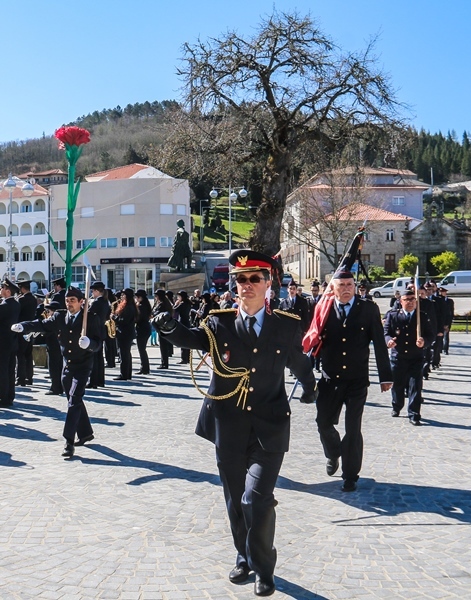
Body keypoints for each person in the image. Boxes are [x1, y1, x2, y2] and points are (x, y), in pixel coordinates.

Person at [151, 250, 317, 597]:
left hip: (269, 427)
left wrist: (312, 388)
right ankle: (243, 555)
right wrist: (168, 326)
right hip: (227, 425)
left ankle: (264, 569)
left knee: (256, 499)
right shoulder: (219, 322)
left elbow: (299, 364)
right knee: (233, 498)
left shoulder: (285, 326)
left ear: (269, 283)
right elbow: (191, 339)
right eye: (241, 279)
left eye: (255, 278)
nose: (247, 285)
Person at [314, 270, 393, 492]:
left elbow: (379, 343)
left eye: (350, 284)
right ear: (333, 288)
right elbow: (310, 337)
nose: (347, 288)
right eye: (342, 285)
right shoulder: (323, 308)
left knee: (352, 428)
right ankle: (332, 453)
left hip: (357, 380)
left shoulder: (368, 309)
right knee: (323, 422)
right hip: (330, 379)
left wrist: (385, 376)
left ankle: (350, 476)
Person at [12, 286, 102, 457]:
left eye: (73, 301)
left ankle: (69, 441)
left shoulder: (90, 319)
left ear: (81, 302)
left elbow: (98, 343)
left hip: (83, 366)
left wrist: (89, 343)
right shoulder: (60, 316)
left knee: (74, 400)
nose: (69, 304)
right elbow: (42, 325)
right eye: (67, 301)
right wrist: (24, 326)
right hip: (67, 366)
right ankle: (86, 433)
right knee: (73, 400)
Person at [384, 289, 435, 425]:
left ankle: (414, 413)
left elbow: (431, 335)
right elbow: (386, 332)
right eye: (407, 300)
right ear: (401, 302)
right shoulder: (393, 315)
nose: (410, 302)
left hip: (415, 357)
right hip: (398, 357)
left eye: (413, 299)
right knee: (398, 385)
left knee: (415, 386)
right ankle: (397, 405)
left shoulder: (422, 317)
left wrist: (424, 341)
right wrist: (389, 341)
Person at [0, 280, 21, 407]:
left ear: (8, 291)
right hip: (12, 341)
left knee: (2, 370)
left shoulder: (5, 305)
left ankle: (3, 397)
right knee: (10, 370)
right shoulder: (16, 304)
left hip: (3, 343)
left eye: (2, 288)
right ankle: (9, 396)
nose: (1, 289)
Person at [110, 288, 138, 381]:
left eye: (123, 295)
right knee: (126, 354)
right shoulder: (130, 306)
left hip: (124, 333)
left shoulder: (128, 307)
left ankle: (124, 374)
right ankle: (127, 374)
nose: (121, 297)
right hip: (126, 332)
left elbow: (123, 321)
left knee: (123, 354)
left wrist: (113, 317)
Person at [87, 281, 109, 389]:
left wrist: (86, 305)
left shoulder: (96, 302)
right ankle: (100, 380)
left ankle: (93, 381)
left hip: (94, 331)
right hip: (101, 330)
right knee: (100, 357)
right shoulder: (105, 302)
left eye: (93, 291)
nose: (92, 292)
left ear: (96, 291)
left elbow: (88, 315)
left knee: (94, 357)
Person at [16, 279, 36, 386]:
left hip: (22, 329)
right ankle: (29, 377)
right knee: (28, 354)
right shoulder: (33, 299)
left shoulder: (22, 300)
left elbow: (17, 313)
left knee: (20, 354)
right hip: (31, 328)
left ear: (22, 288)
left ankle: (21, 378)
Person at [42, 300, 65, 395]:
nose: (48, 313)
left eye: (49, 311)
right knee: (58, 367)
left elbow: (47, 332)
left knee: (53, 368)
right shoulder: (60, 319)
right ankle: (59, 387)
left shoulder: (53, 320)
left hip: (53, 347)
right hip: (57, 347)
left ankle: (55, 388)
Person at [152, 289, 173, 369]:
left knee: (163, 345)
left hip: (162, 326)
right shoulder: (164, 303)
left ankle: (164, 363)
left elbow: (159, 314)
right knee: (163, 345)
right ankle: (164, 362)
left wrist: (153, 314)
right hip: (163, 326)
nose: (155, 297)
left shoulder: (162, 304)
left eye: (156, 296)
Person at [134, 289, 152, 374]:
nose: (136, 299)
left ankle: (144, 368)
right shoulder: (146, 305)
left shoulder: (141, 306)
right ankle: (145, 368)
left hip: (142, 329)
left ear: (140, 297)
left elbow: (138, 318)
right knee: (142, 349)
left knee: (142, 349)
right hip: (145, 328)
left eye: (137, 297)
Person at [173, 290, 192, 364]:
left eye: (179, 296)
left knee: (182, 340)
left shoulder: (182, 304)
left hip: (182, 322)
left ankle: (184, 358)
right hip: (187, 322)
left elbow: (174, 310)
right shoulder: (188, 303)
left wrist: (176, 304)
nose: (178, 298)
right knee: (187, 341)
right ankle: (188, 358)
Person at [439, 286, 455, 355]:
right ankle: (440, 348)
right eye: (440, 292)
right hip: (440, 321)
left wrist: (448, 323)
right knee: (440, 335)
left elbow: (451, 312)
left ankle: (446, 349)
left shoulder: (449, 301)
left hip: (447, 320)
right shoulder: (438, 300)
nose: (442, 293)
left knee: (446, 335)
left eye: (443, 292)